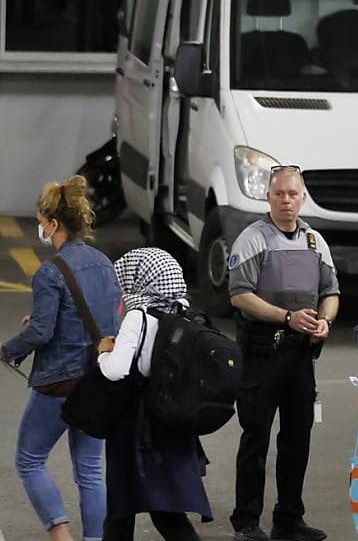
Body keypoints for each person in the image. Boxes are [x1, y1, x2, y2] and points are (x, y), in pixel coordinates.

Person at [0, 176, 121, 541]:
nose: (39, 228)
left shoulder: (50, 271)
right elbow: (108, 319)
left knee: (29, 460)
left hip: (59, 382)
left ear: (54, 224)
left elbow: (41, 334)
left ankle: (61, 537)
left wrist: (7, 350)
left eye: (40, 223)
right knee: (89, 471)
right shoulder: (103, 263)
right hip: (97, 379)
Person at [227, 166, 340, 541]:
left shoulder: (314, 242)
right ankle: (246, 522)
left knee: (297, 439)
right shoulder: (253, 239)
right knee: (255, 437)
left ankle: (289, 518)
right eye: (279, 194)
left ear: (303, 198)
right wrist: (286, 318)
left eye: (292, 194)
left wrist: (324, 321)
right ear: (268, 197)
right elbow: (239, 295)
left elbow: (331, 292)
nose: (286, 200)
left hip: (300, 356)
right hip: (263, 353)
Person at [98, 248, 212, 540]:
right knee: (167, 510)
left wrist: (102, 354)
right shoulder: (183, 311)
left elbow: (116, 371)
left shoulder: (138, 315)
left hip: (136, 424)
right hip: (172, 419)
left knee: (120, 508)